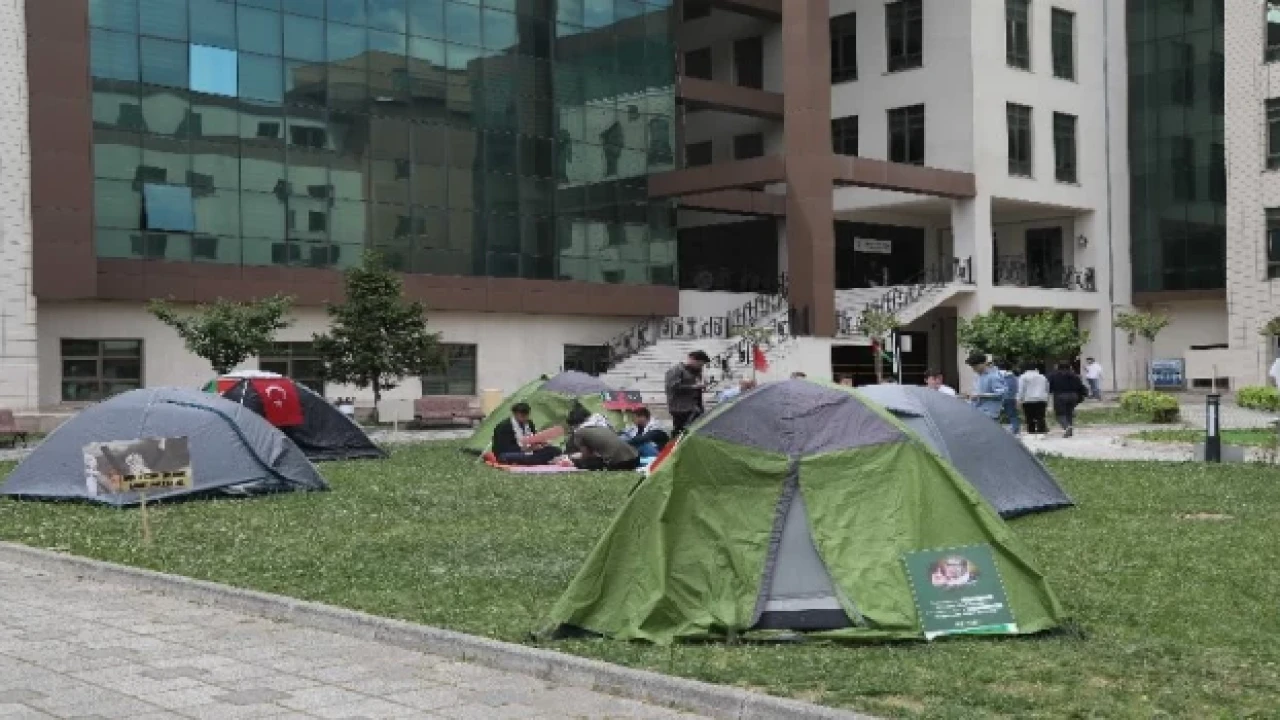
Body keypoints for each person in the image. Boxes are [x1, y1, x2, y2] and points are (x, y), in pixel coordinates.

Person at [566, 404, 640, 471]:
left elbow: (586, 456)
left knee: (583, 463)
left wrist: (573, 460)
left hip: (620, 463)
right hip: (636, 458)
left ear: (573, 424)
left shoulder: (579, 432)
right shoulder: (601, 424)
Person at [490, 402, 560, 466]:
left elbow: (534, 438)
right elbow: (504, 448)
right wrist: (527, 449)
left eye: (526, 415)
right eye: (522, 415)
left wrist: (542, 443)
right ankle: (539, 459)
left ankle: (537, 459)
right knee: (511, 456)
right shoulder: (504, 426)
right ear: (515, 414)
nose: (525, 418)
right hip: (507, 453)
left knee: (555, 450)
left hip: (528, 452)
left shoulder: (529, 423)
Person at [665, 351, 709, 435]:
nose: (701, 367)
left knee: (694, 431)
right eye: (700, 364)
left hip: (694, 407)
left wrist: (702, 385)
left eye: (702, 365)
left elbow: (697, 385)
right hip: (680, 408)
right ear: (692, 359)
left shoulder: (696, 371)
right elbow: (673, 387)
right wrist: (694, 386)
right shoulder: (676, 370)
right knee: (680, 432)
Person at [1047, 362, 1089, 437]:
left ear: (1058, 367)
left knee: (1060, 415)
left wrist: (1050, 392)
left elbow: (1049, 386)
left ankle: (1067, 427)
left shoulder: (1054, 375)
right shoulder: (1075, 376)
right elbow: (1080, 386)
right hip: (1073, 396)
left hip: (1060, 396)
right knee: (1069, 413)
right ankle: (1070, 431)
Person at [966, 353, 1006, 421]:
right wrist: (971, 396)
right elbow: (977, 392)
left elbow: (1001, 394)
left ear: (984, 363)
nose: (973, 368)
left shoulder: (994, 376)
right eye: (972, 366)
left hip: (989, 412)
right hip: (978, 410)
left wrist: (980, 395)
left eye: (975, 366)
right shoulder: (978, 376)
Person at [1018, 363, 1050, 435]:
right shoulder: (1042, 377)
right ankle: (1041, 430)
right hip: (1041, 399)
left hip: (1028, 399)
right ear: (1035, 369)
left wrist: (1019, 399)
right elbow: (1047, 388)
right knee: (1040, 416)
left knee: (1029, 416)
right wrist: (1047, 397)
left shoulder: (1023, 377)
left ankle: (1031, 431)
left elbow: (1021, 389)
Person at [998, 361, 1021, 435]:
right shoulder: (1013, 377)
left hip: (999, 397)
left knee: (996, 415)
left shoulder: (996, 375)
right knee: (1013, 415)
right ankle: (1015, 430)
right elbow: (1016, 388)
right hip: (1011, 398)